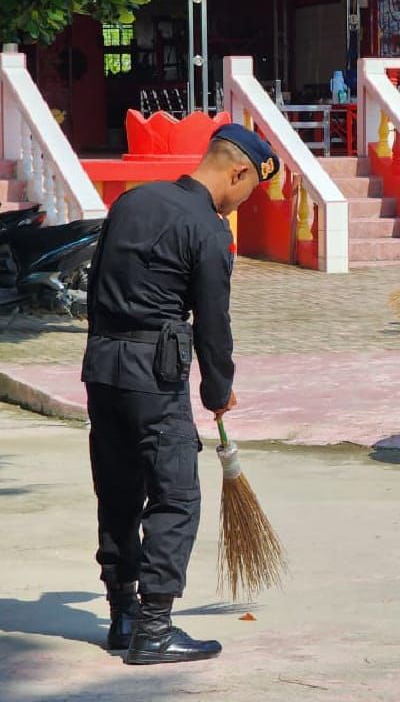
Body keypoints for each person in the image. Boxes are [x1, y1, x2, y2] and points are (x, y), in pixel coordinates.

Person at [83, 123, 279, 665]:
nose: (245, 199)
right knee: (175, 495)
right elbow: (214, 322)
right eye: (250, 188)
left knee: (119, 490)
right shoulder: (209, 230)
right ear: (239, 170)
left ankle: (122, 613)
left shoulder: (132, 202)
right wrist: (219, 388)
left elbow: (96, 282)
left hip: (102, 366)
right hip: (154, 374)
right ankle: (154, 628)